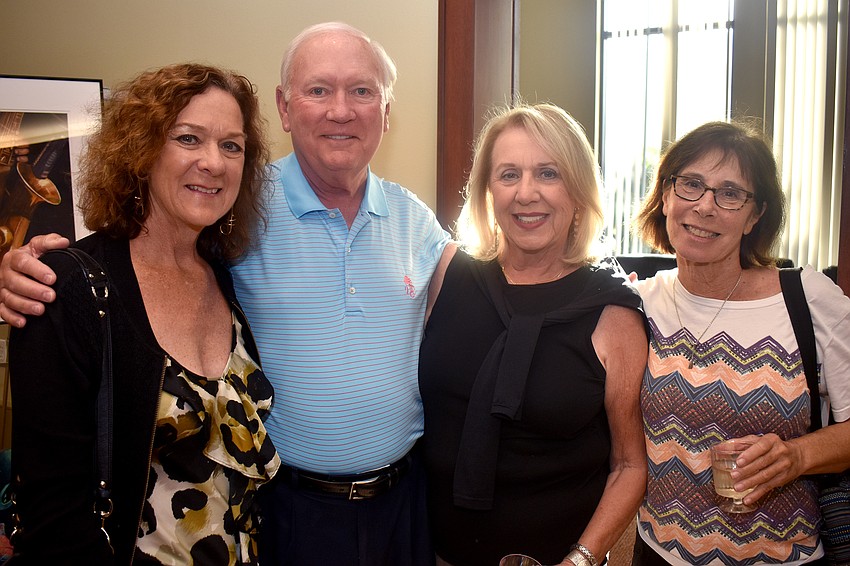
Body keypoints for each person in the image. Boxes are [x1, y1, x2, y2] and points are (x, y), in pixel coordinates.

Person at [0, 23, 452, 565]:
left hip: (392, 510)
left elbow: (493, 287)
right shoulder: (237, 211)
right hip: (282, 515)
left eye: (362, 91)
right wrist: (19, 265)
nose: (340, 110)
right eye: (318, 90)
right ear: (285, 109)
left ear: (385, 110)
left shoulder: (413, 220)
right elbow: (53, 497)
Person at [7, 63, 280, 565]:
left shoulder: (225, 276)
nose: (213, 163)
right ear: (143, 150)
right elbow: (52, 517)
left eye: (231, 146)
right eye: (189, 139)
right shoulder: (69, 289)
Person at [419, 102, 648, 566]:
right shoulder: (448, 274)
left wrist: (581, 559)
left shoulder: (612, 313)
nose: (527, 193)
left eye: (548, 173)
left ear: (579, 190)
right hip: (433, 552)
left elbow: (630, 466)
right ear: (488, 189)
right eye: (508, 175)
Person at [631, 121, 850, 565]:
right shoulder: (637, 304)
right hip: (657, 555)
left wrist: (796, 455)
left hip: (786, 557)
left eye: (730, 193)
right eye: (691, 184)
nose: (705, 206)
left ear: (755, 215)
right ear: (667, 196)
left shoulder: (806, 298)